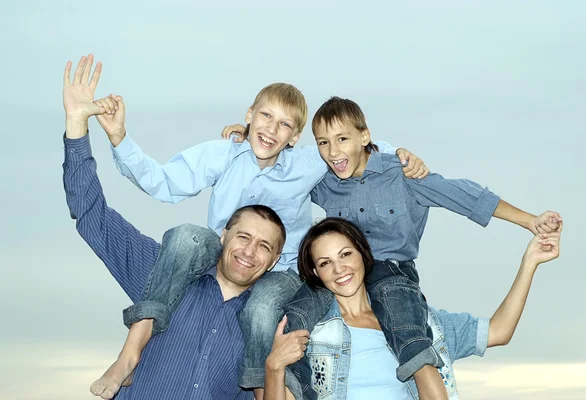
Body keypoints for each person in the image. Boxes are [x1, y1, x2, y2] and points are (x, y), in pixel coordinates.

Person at [89, 58, 427, 397]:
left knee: (262, 309)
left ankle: (257, 388)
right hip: (225, 254)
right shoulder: (224, 154)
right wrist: (120, 138)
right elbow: (164, 182)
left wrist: (395, 154)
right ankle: (130, 354)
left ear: (295, 137)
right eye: (265, 116)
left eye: (284, 125)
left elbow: (349, 145)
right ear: (250, 115)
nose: (271, 129)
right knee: (183, 237)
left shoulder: (307, 164)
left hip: (279, 271)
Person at [222, 96, 562, 398]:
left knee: (408, 333)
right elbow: (282, 172)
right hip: (344, 286)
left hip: (393, 272)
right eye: (324, 143)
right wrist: (251, 135)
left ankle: (425, 377)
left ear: (364, 137)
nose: (333, 151)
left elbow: (465, 196)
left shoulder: (402, 175)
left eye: (342, 139)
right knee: (295, 314)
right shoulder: (324, 181)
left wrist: (529, 222)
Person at [62, 54, 286, 400]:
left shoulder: (266, 326)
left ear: (273, 261)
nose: (249, 251)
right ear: (222, 236)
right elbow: (92, 216)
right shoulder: (163, 273)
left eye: (264, 246)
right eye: (243, 236)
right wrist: (77, 125)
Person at [265, 217, 562, 399]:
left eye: (345, 254)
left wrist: (530, 262)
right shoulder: (313, 335)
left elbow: (499, 331)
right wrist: (273, 366)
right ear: (316, 273)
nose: (339, 268)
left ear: (363, 256)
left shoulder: (417, 322)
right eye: (325, 263)